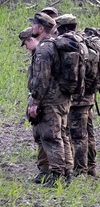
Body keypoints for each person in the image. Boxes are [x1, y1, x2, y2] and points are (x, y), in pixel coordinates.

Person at [24, 12, 73, 186]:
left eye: (33, 25)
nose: (31, 28)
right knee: (63, 135)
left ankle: (57, 175)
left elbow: (41, 78)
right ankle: (67, 171)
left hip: (50, 99)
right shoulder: (56, 44)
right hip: (63, 97)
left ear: (40, 27)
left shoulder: (44, 49)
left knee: (51, 137)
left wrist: (35, 102)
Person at [51, 14, 96, 177]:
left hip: (76, 98)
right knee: (88, 133)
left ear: (62, 28)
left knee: (77, 136)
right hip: (90, 95)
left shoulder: (68, 45)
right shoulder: (85, 40)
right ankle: (91, 167)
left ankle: (80, 170)